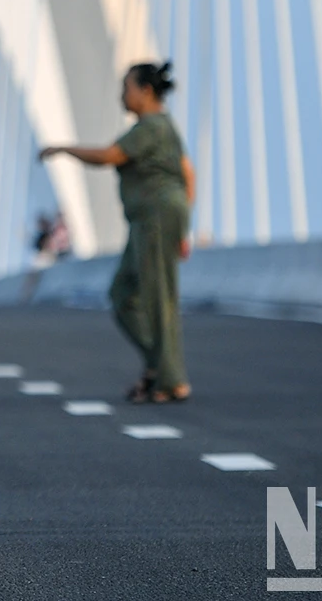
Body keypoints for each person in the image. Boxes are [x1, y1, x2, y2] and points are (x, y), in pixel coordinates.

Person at [39, 60, 195, 404]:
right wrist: (183, 227)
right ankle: (160, 368)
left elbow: (110, 156)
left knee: (158, 300)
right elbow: (188, 173)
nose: (121, 95)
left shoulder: (151, 126)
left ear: (146, 91)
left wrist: (64, 149)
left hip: (155, 218)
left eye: (126, 87)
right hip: (149, 220)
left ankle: (171, 380)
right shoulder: (163, 127)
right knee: (123, 294)